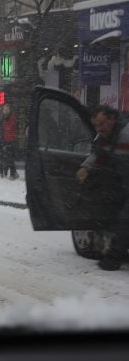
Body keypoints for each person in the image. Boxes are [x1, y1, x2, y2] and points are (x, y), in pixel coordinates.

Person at [76, 105, 129, 271]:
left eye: (101, 124)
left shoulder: (127, 133)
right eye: (96, 126)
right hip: (123, 183)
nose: (99, 129)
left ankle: (113, 258)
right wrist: (85, 168)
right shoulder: (106, 137)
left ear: (112, 119)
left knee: (125, 219)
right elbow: (99, 154)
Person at [2, 104, 19, 179]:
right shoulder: (5, 118)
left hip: (12, 140)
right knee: (9, 158)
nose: (5, 111)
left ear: (10, 110)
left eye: (7, 109)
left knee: (10, 158)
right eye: (4, 110)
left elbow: (10, 127)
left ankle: (12, 174)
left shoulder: (12, 117)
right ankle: (14, 172)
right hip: (6, 140)